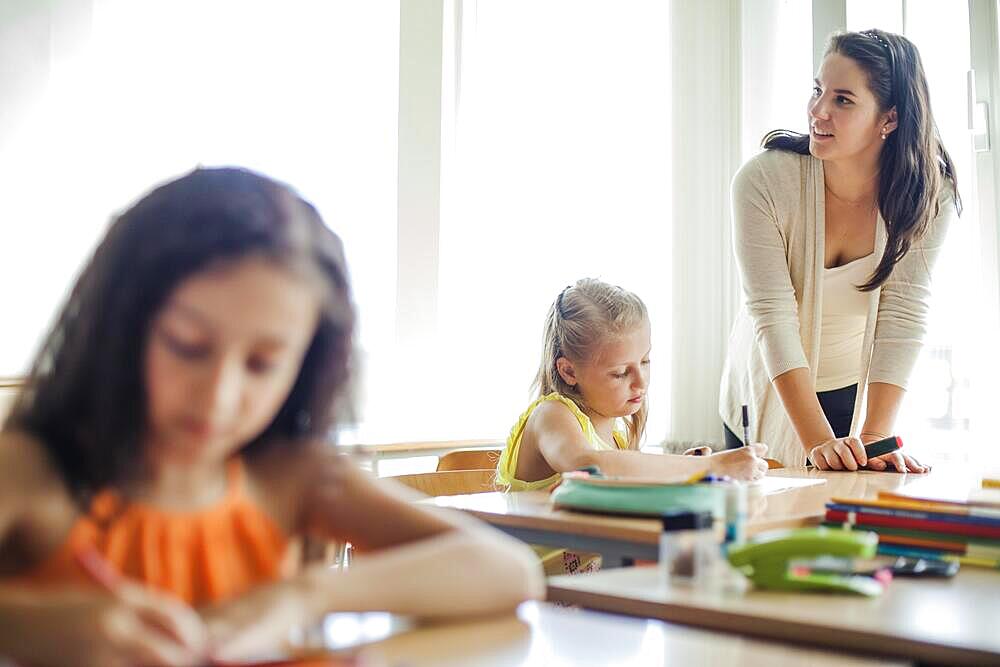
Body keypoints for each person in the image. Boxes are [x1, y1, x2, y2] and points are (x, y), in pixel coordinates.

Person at [0, 167, 543, 666]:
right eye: (187, 346)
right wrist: (30, 626)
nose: (218, 397)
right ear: (119, 327)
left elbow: (508, 571)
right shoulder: (31, 467)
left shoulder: (292, 476)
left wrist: (307, 595)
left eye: (263, 364)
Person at [720, 29, 960, 471]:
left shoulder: (929, 194)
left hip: (848, 386)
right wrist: (815, 441)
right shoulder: (762, 181)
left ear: (888, 118)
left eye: (843, 100)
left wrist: (874, 437)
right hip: (766, 388)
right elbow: (771, 312)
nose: (817, 110)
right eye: (817, 91)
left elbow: (904, 311)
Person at [498, 277, 768, 492]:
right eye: (619, 373)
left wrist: (686, 470)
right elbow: (587, 466)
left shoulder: (615, 438)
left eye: (645, 362)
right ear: (569, 371)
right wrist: (713, 466)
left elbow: (615, 483)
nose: (641, 382)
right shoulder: (552, 414)